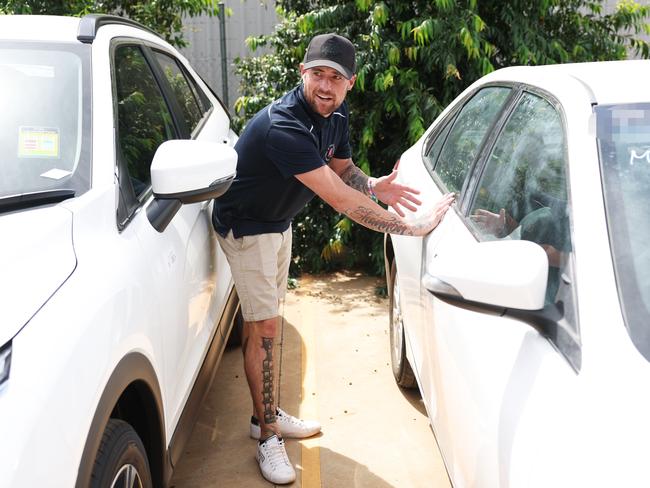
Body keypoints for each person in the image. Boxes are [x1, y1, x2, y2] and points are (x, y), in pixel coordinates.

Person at [212, 32, 455, 485]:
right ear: (302, 73)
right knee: (264, 330)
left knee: (268, 325)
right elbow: (340, 199)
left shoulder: (336, 113)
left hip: (277, 223)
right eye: (318, 75)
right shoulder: (284, 125)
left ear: (351, 83)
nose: (325, 86)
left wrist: (375, 184)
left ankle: (262, 415)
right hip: (248, 229)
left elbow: (345, 173)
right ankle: (267, 437)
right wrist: (412, 228)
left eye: (336, 78)